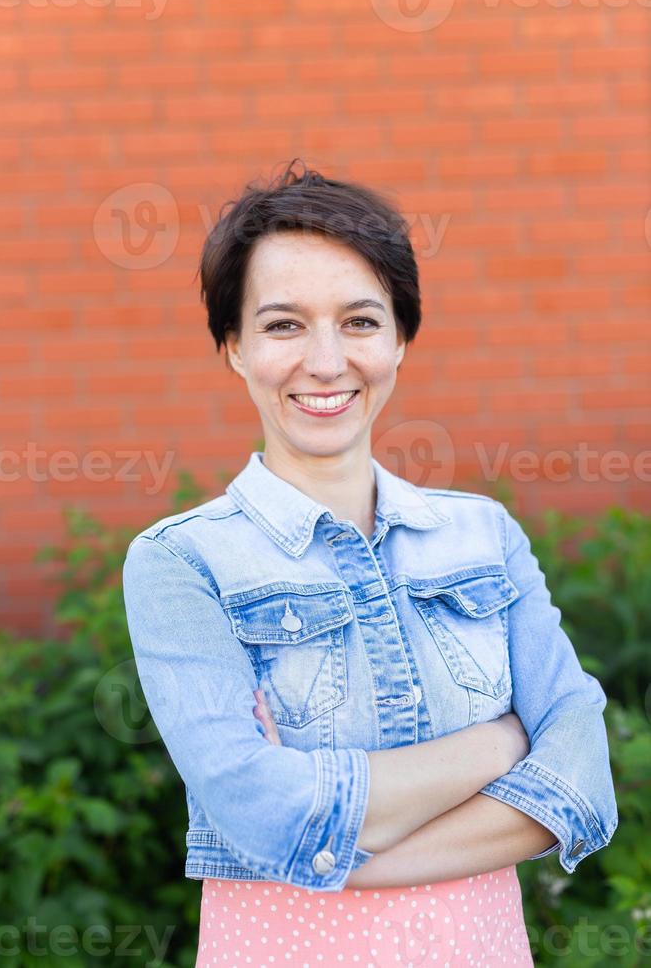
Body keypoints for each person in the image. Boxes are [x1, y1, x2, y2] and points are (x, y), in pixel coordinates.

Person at [122, 159, 618, 967]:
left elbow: (580, 779)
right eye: (284, 325)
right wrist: (499, 747)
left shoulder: (483, 536)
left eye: (359, 321)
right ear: (234, 348)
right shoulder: (182, 562)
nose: (326, 362)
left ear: (400, 339)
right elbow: (258, 812)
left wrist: (349, 853)